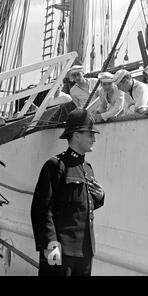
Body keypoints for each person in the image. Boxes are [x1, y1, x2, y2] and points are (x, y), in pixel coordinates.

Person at [31, 109, 105, 276]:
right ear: (76, 135)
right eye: (90, 134)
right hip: (60, 250)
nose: (94, 139)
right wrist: (50, 243)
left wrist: (100, 198)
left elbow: (80, 205)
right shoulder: (55, 165)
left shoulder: (87, 168)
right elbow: (42, 209)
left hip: (85, 251)